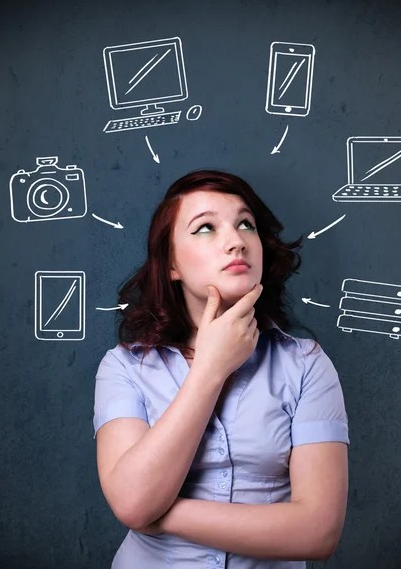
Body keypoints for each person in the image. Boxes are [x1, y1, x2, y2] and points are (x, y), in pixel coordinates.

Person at [93, 168, 350, 568]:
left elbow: (318, 532)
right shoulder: (124, 367)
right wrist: (210, 369)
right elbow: (131, 501)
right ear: (171, 264)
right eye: (205, 228)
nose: (236, 242)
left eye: (245, 224)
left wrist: (156, 514)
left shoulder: (307, 365)